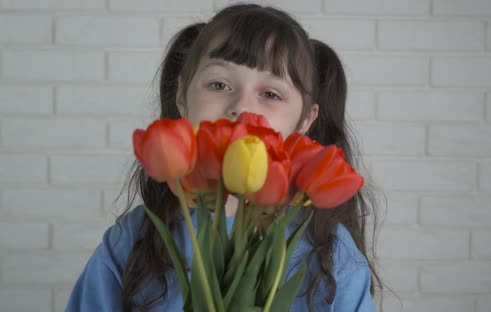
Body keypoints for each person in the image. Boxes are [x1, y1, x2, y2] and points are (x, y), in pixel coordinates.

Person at [66, 3, 384, 311]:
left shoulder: (330, 251)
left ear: (304, 121)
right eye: (219, 84)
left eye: (270, 94)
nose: (241, 107)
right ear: (181, 96)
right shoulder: (134, 239)